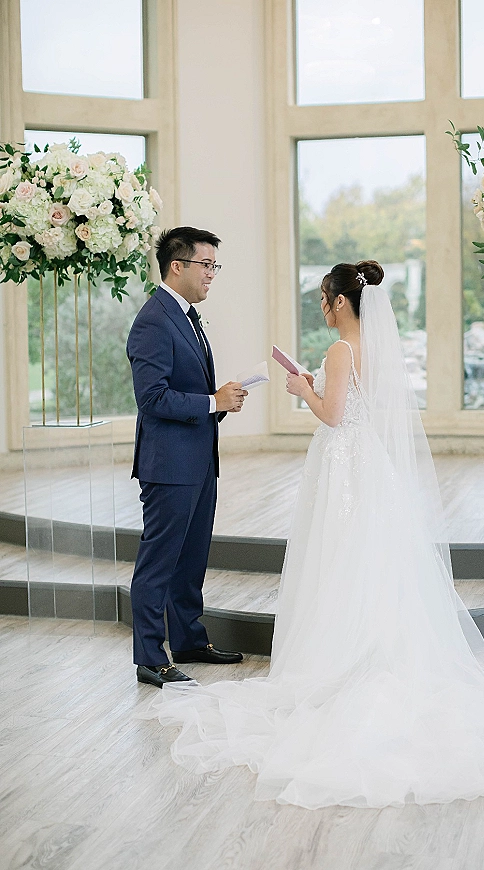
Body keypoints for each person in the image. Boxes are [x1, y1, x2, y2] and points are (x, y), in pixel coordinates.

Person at [144, 260, 484, 808]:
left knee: (334, 561)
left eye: (323, 299)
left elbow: (333, 416)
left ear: (339, 301)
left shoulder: (340, 351)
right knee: (372, 562)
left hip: (341, 468)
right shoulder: (378, 350)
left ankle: (336, 662)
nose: (321, 308)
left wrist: (299, 388)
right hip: (370, 467)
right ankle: (373, 650)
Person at [127, 226, 248, 689]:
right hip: (169, 465)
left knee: (191, 559)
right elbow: (152, 399)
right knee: (159, 562)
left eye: (215, 266)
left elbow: (192, 388)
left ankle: (189, 639)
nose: (212, 274)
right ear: (177, 267)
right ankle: (150, 657)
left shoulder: (187, 315)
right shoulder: (153, 319)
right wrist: (213, 402)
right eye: (207, 265)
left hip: (198, 459)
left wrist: (219, 401)